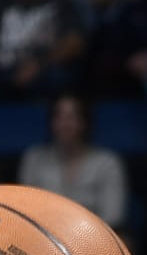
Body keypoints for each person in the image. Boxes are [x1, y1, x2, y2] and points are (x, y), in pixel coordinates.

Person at [17, 94, 129, 233]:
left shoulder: (107, 162)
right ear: (51, 122)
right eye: (59, 117)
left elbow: (114, 216)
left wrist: (74, 237)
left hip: (95, 240)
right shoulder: (34, 159)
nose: (65, 124)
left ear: (84, 122)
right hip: (43, 239)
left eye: (72, 117)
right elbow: (24, 210)